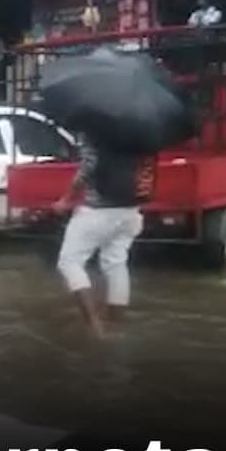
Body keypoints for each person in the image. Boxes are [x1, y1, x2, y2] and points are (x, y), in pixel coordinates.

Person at [53, 135, 150, 339]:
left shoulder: (95, 131)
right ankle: (117, 327)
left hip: (98, 211)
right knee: (115, 263)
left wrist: (65, 199)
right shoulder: (139, 130)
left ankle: (94, 326)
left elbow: (87, 169)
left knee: (69, 262)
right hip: (130, 209)